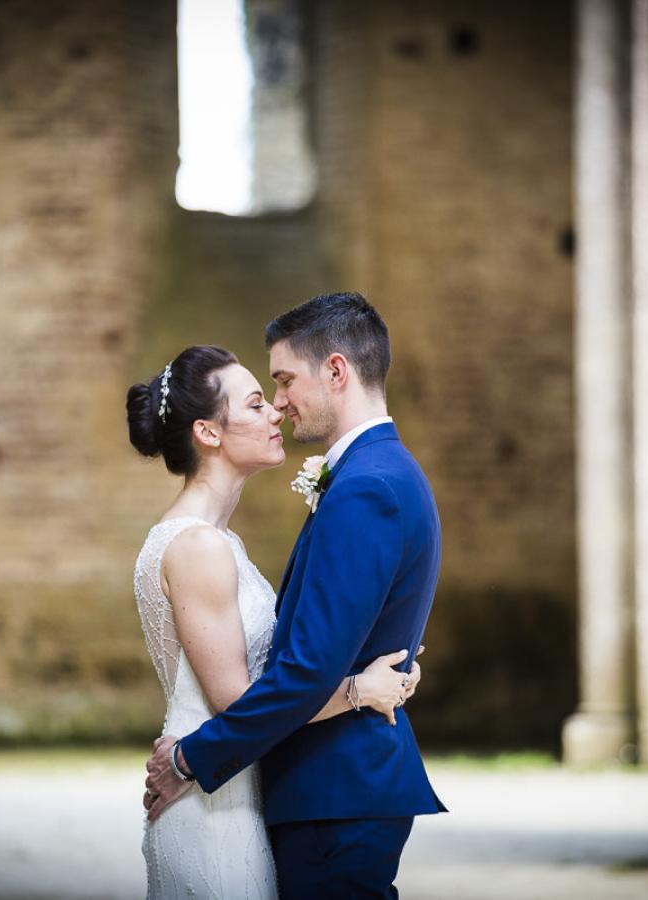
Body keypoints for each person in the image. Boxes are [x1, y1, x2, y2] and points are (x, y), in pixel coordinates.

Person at [141, 292, 447, 899]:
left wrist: (189, 760)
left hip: (335, 790)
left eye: (282, 382)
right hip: (323, 789)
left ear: (335, 371)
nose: (279, 404)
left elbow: (305, 670)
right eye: (262, 395)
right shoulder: (377, 473)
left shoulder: (365, 487)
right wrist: (362, 686)